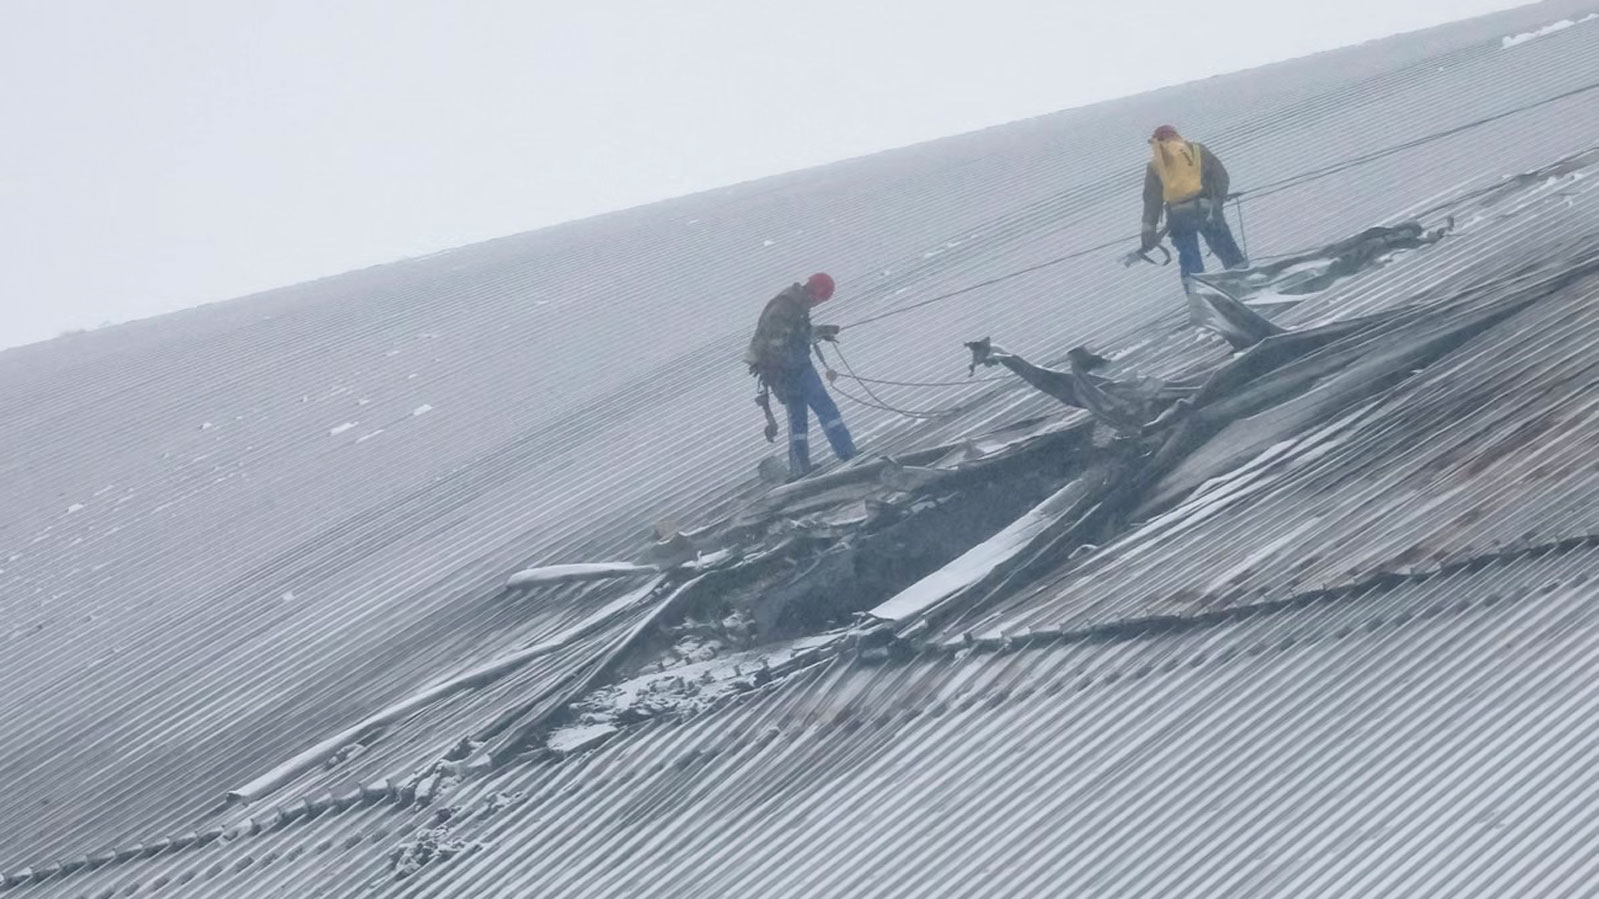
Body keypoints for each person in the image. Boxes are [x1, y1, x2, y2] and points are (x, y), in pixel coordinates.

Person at [744, 273, 857, 481]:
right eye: (821, 299)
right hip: (792, 370)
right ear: (815, 293)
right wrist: (791, 369)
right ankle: (847, 453)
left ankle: (800, 468)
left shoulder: (795, 304)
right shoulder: (786, 308)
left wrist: (822, 331)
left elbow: (797, 333)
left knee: (798, 420)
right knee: (826, 410)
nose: (818, 304)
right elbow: (777, 343)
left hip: (786, 372)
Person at [1140, 125, 1248, 282]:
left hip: (1178, 216)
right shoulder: (1197, 150)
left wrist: (1148, 232)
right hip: (1206, 209)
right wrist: (1216, 201)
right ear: (1177, 135)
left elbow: (1152, 200)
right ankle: (1243, 280)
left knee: (1189, 255)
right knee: (1224, 245)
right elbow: (1221, 177)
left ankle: (1196, 293)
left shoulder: (1155, 164)